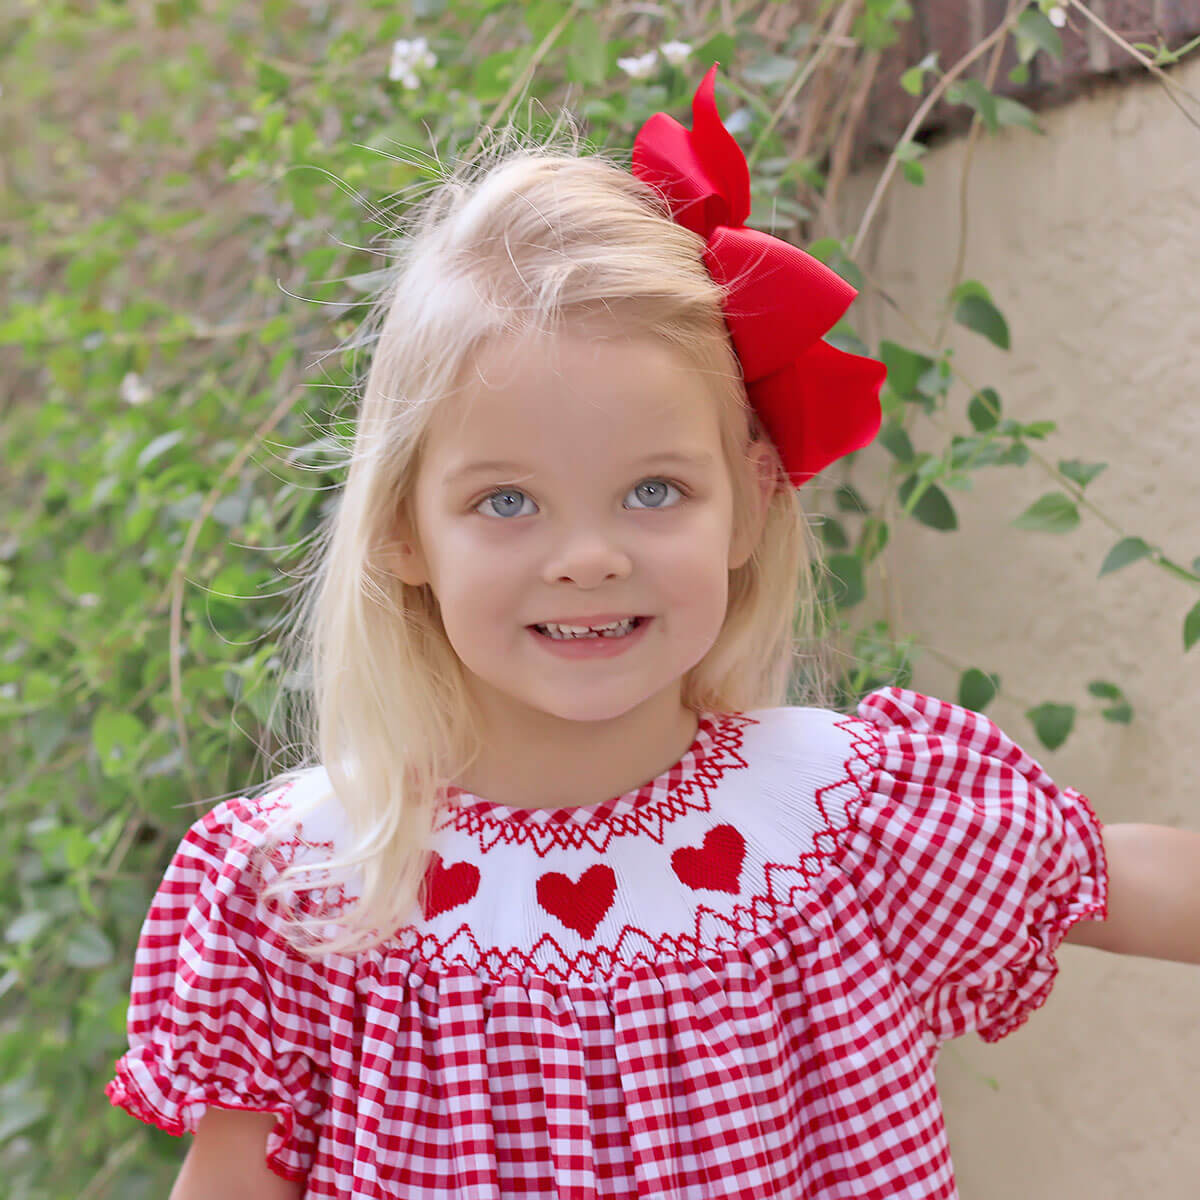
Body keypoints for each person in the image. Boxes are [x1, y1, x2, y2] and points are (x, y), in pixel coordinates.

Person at [105, 63, 1199, 1200]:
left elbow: (1122, 879)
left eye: (655, 490)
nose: (590, 555)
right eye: (508, 501)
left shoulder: (843, 816)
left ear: (751, 497)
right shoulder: (308, 886)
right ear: (402, 534)